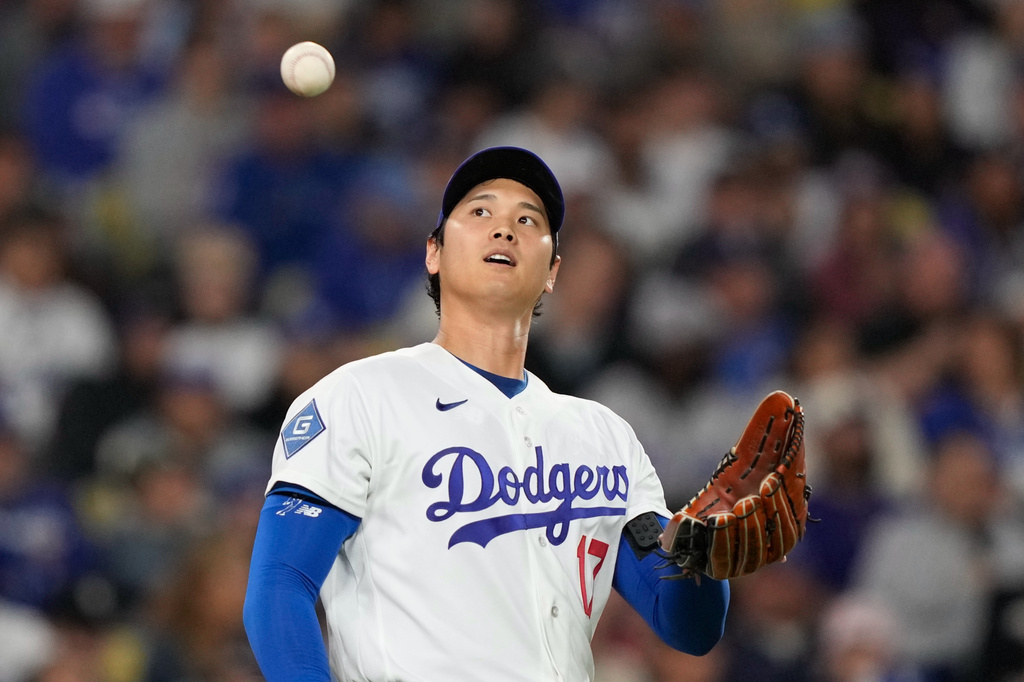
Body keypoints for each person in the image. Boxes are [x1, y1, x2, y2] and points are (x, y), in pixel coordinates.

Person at [243, 146, 730, 681]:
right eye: (480, 212)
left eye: (528, 219)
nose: (505, 229)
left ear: (552, 271)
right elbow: (280, 586)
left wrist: (706, 550)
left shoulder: (605, 435)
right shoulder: (359, 397)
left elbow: (688, 626)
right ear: (434, 252)